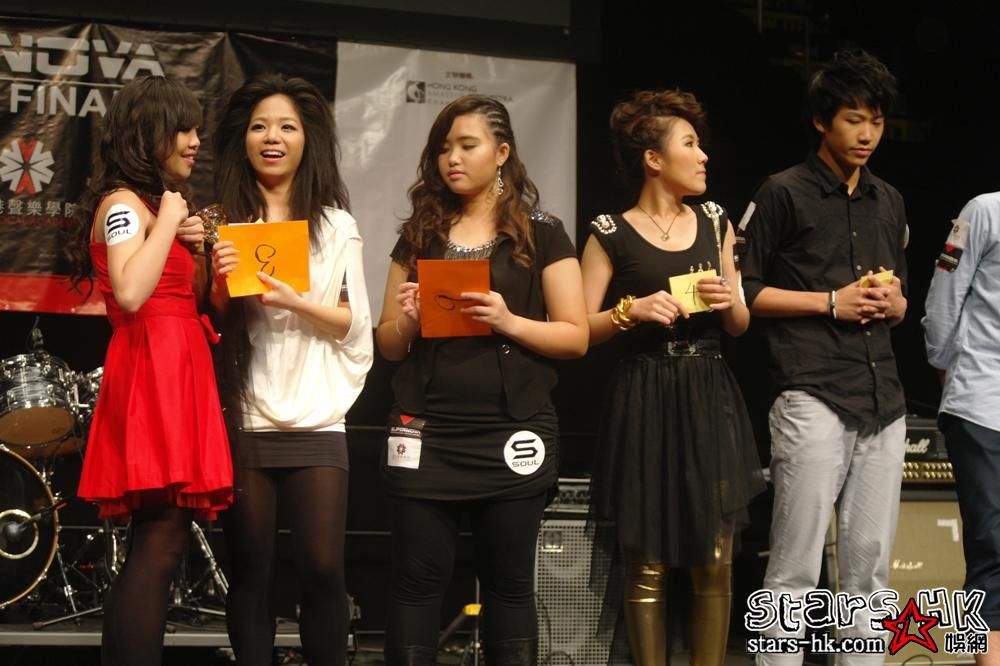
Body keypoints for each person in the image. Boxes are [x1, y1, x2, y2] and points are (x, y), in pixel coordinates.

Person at [374, 94, 588, 665]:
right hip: (426, 430)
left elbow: (575, 336)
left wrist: (507, 319)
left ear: (502, 153)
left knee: (509, 583)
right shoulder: (419, 233)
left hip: (513, 430)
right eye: (444, 148)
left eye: (467, 145)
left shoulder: (543, 233)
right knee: (416, 580)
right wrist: (410, 320)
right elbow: (388, 344)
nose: (452, 158)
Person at [582, 89, 764, 665]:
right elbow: (577, 329)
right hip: (645, 394)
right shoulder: (609, 231)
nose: (704, 155)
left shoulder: (715, 221)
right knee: (648, 563)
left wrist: (729, 297)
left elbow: (739, 323)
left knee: (714, 559)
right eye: (690, 144)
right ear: (653, 159)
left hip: (708, 392)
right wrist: (628, 310)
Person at [739, 49, 908, 664]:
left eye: (876, 123)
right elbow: (744, 292)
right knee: (794, 570)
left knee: (869, 573)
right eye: (853, 120)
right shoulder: (782, 192)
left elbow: (900, 300)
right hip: (811, 391)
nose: (866, 135)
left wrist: (894, 303)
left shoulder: (889, 199)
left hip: (882, 399)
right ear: (821, 121)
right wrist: (830, 302)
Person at [69, 75, 233, 666]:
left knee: (159, 543)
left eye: (196, 130)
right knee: (160, 543)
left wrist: (202, 249)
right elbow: (131, 291)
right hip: (152, 371)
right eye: (183, 129)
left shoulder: (153, 207)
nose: (195, 142)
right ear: (149, 133)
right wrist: (166, 221)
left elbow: (194, 300)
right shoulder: (123, 205)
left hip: (178, 364)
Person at [210, 73, 373, 666]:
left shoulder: (335, 225)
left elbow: (354, 324)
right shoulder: (221, 220)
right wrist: (219, 281)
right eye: (259, 127)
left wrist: (294, 300)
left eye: (286, 127)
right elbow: (209, 322)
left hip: (319, 417)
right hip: (247, 416)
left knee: (323, 567)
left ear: (308, 140)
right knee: (251, 569)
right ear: (243, 140)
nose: (272, 138)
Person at [924, 197, 1000, 664]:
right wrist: (946, 366)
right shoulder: (986, 211)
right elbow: (944, 297)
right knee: (991, 546)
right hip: (983, 402)